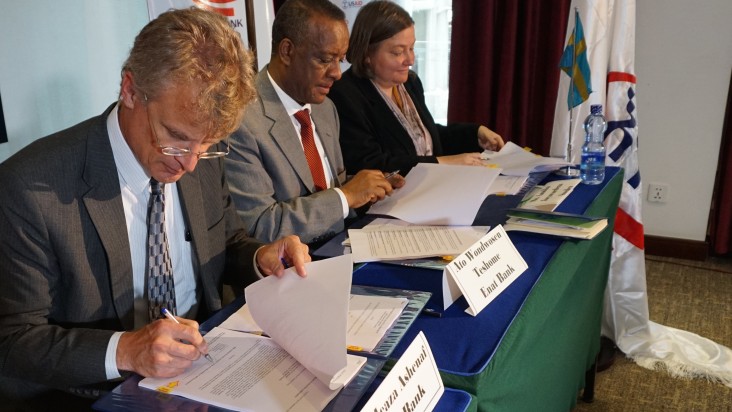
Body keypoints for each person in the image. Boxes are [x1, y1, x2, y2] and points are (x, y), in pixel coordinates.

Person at [0, 8, 310, 407]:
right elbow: (12, 339)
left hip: (205, 369)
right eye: (176, 138)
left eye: (207, 145)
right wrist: (127, 350)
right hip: (93, 395)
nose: (190, 163)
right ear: (130, 89)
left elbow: (226, 240)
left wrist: (260, 258)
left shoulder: (198, 154)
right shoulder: (30, 188)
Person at [225, 0, 405, 246]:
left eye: (340, 59)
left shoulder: (325, 108)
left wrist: (370, 189)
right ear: (287, 51)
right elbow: (261, 226)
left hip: (341, 249)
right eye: (325, 59)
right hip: (287, 272)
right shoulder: (240, 120)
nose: (337, 73)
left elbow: (329, 189)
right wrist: (346, 196)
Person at [328, 0, 505, 176]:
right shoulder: (344, 95)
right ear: (367, 53)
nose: (410, 60)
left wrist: (475, 133)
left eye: (411, 48)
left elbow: (425, 138)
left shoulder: (410, 83)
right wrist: (440, 163)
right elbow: (369, 163)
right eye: (398, 52)